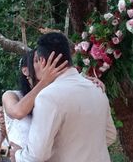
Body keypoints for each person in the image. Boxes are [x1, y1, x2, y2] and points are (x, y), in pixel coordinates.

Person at [11, 32, 117, 162]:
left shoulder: (48, 97)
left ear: (42, 60)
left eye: (36, 61)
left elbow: (36, 155)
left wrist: (17, 155)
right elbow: (110, 135)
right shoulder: (97, 88)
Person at [2, 49, 68, 147]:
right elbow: (17, 112)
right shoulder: (11, 95)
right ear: (25, 70)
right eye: (37, 61)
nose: (43, 65)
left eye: (44, 60)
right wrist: (44, 81)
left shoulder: (53, 95)